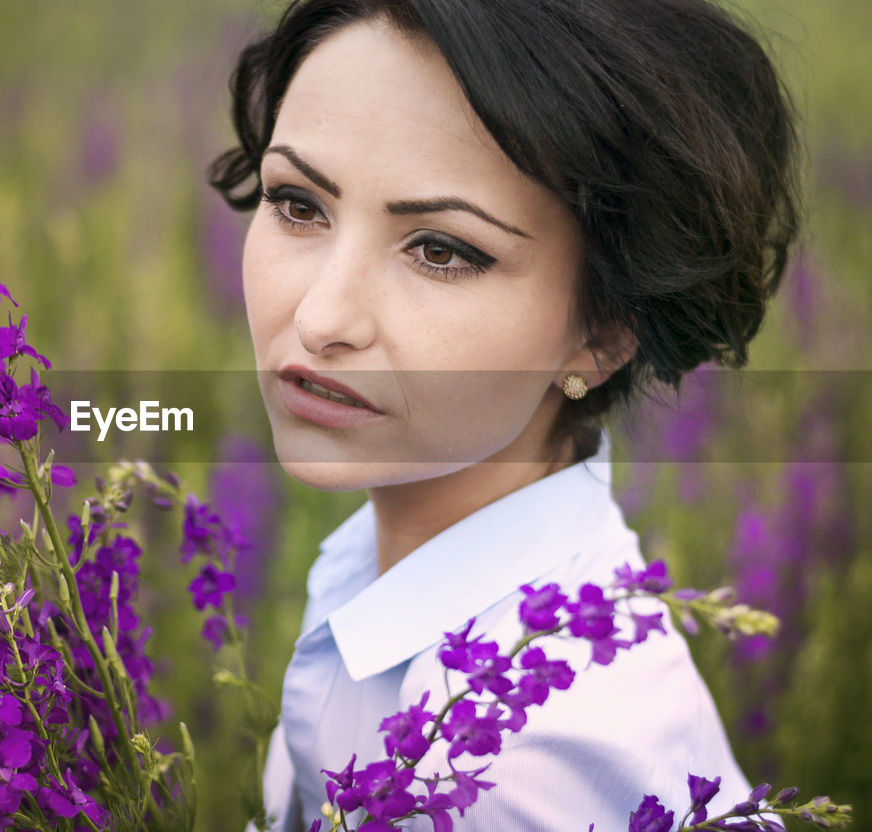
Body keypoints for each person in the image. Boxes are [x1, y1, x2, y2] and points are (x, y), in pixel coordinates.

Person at [205, 0, 802, 830]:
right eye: (299, 203)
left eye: (442, 250)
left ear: (604, 333)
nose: (321, 318)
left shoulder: (517, 768)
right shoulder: (389, 572)